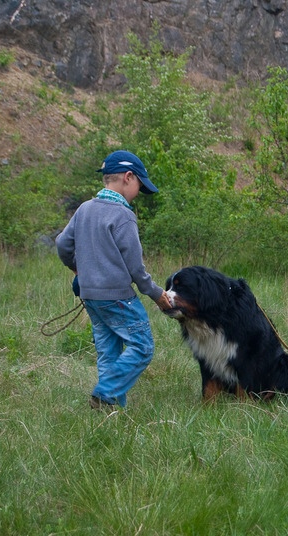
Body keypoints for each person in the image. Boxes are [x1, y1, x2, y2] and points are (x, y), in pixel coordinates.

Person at [56, 150, 171, 409]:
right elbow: (136, 269)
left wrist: (77, 270)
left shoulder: (84, 209)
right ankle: (106, 393)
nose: (138, 193)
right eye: (140, 186)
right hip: (118, 298)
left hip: (91, 297)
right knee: (142, 348)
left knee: (108, 352)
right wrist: (156, 293)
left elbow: (63, 245)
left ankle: (110, 411)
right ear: (128, 178)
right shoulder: (123, 215)